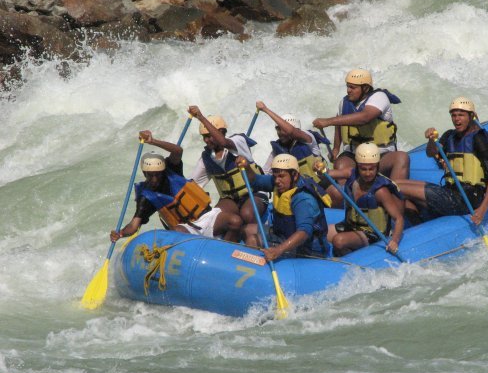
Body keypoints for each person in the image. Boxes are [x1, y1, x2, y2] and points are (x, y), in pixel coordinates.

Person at [110, 130, 243, 243]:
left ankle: (223, 251)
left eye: (158, 174)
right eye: (150, 175)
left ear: (163, 171)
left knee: (235, 221)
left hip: (206, 218)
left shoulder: (172, 171)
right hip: (186, 229)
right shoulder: (146, 197)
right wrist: (121, 233)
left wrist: (153, 141)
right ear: (144, 173)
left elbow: (178, 151)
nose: (155, 179)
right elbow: (134, 225)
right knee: (177, 231)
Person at [396, 97, 488, 225]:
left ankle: (412, 223)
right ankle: (417, 223)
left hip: (468, 198)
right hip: (450, 191)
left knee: (397, 187)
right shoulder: (449, 135)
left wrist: (482, 210)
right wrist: (431, 140)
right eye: (454, 115)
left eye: (461, 115)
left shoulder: (479, 139)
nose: (457, 119)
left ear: (471, 116)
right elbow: (431, 153)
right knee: (395, 183)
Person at [311, 69, 410, 194]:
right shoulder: (344, 102)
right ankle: (349, 200)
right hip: (354, 155)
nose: (348, 90)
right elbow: (340, 124)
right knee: (341, 164)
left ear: (366, 89)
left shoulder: (379, 97)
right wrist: (336, 149)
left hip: (382, 155)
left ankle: (396, 196)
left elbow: (365, 117)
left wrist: (327, 121)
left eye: (353, 87)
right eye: (348, 86)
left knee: (401, 157)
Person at [188, 105, 268, 246]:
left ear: (222, 132)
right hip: (230, 199)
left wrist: (200, 116)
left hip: (254, 194)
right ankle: (225, 246)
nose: (206, 140)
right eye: (204, 137)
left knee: (247, 214)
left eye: (209, 136)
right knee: (217, 217)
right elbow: (192, 184)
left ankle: (254, 240)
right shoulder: (206, 158)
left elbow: (223, 142)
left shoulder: (238, 141)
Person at [236, 153, 332, 261]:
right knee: (246, 229)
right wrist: (247, 167)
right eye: (275, 176)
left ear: (294, 175)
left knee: (252, 240)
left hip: (307, 250)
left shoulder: (303, 199)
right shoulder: (283, 183)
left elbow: (304, 232)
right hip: (284, 234)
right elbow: (255, 181)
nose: (277, 181)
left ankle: (257, 272)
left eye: (281, 176)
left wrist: (278, 251)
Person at [314, 142, 404, 256]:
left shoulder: (380, 191)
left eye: (371, 169)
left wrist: (394, 241)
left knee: (339, 241)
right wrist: (320, 170)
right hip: (351, 226)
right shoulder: (352, 173)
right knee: (318, 235)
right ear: (357, 166)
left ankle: (349, 258)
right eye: (363, 169)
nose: (367, 173)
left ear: (377, 166)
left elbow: (399, 218)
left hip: (371, 234)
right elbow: (328, 174)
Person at [257, 100, 328, 185]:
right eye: (278, 129)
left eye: (283, 129)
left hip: (321, 183)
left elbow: (291, 131)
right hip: (300, 190)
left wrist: (265, 109)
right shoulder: (279, 148)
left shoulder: (307, 138)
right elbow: (265, 172)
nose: (280, 133)